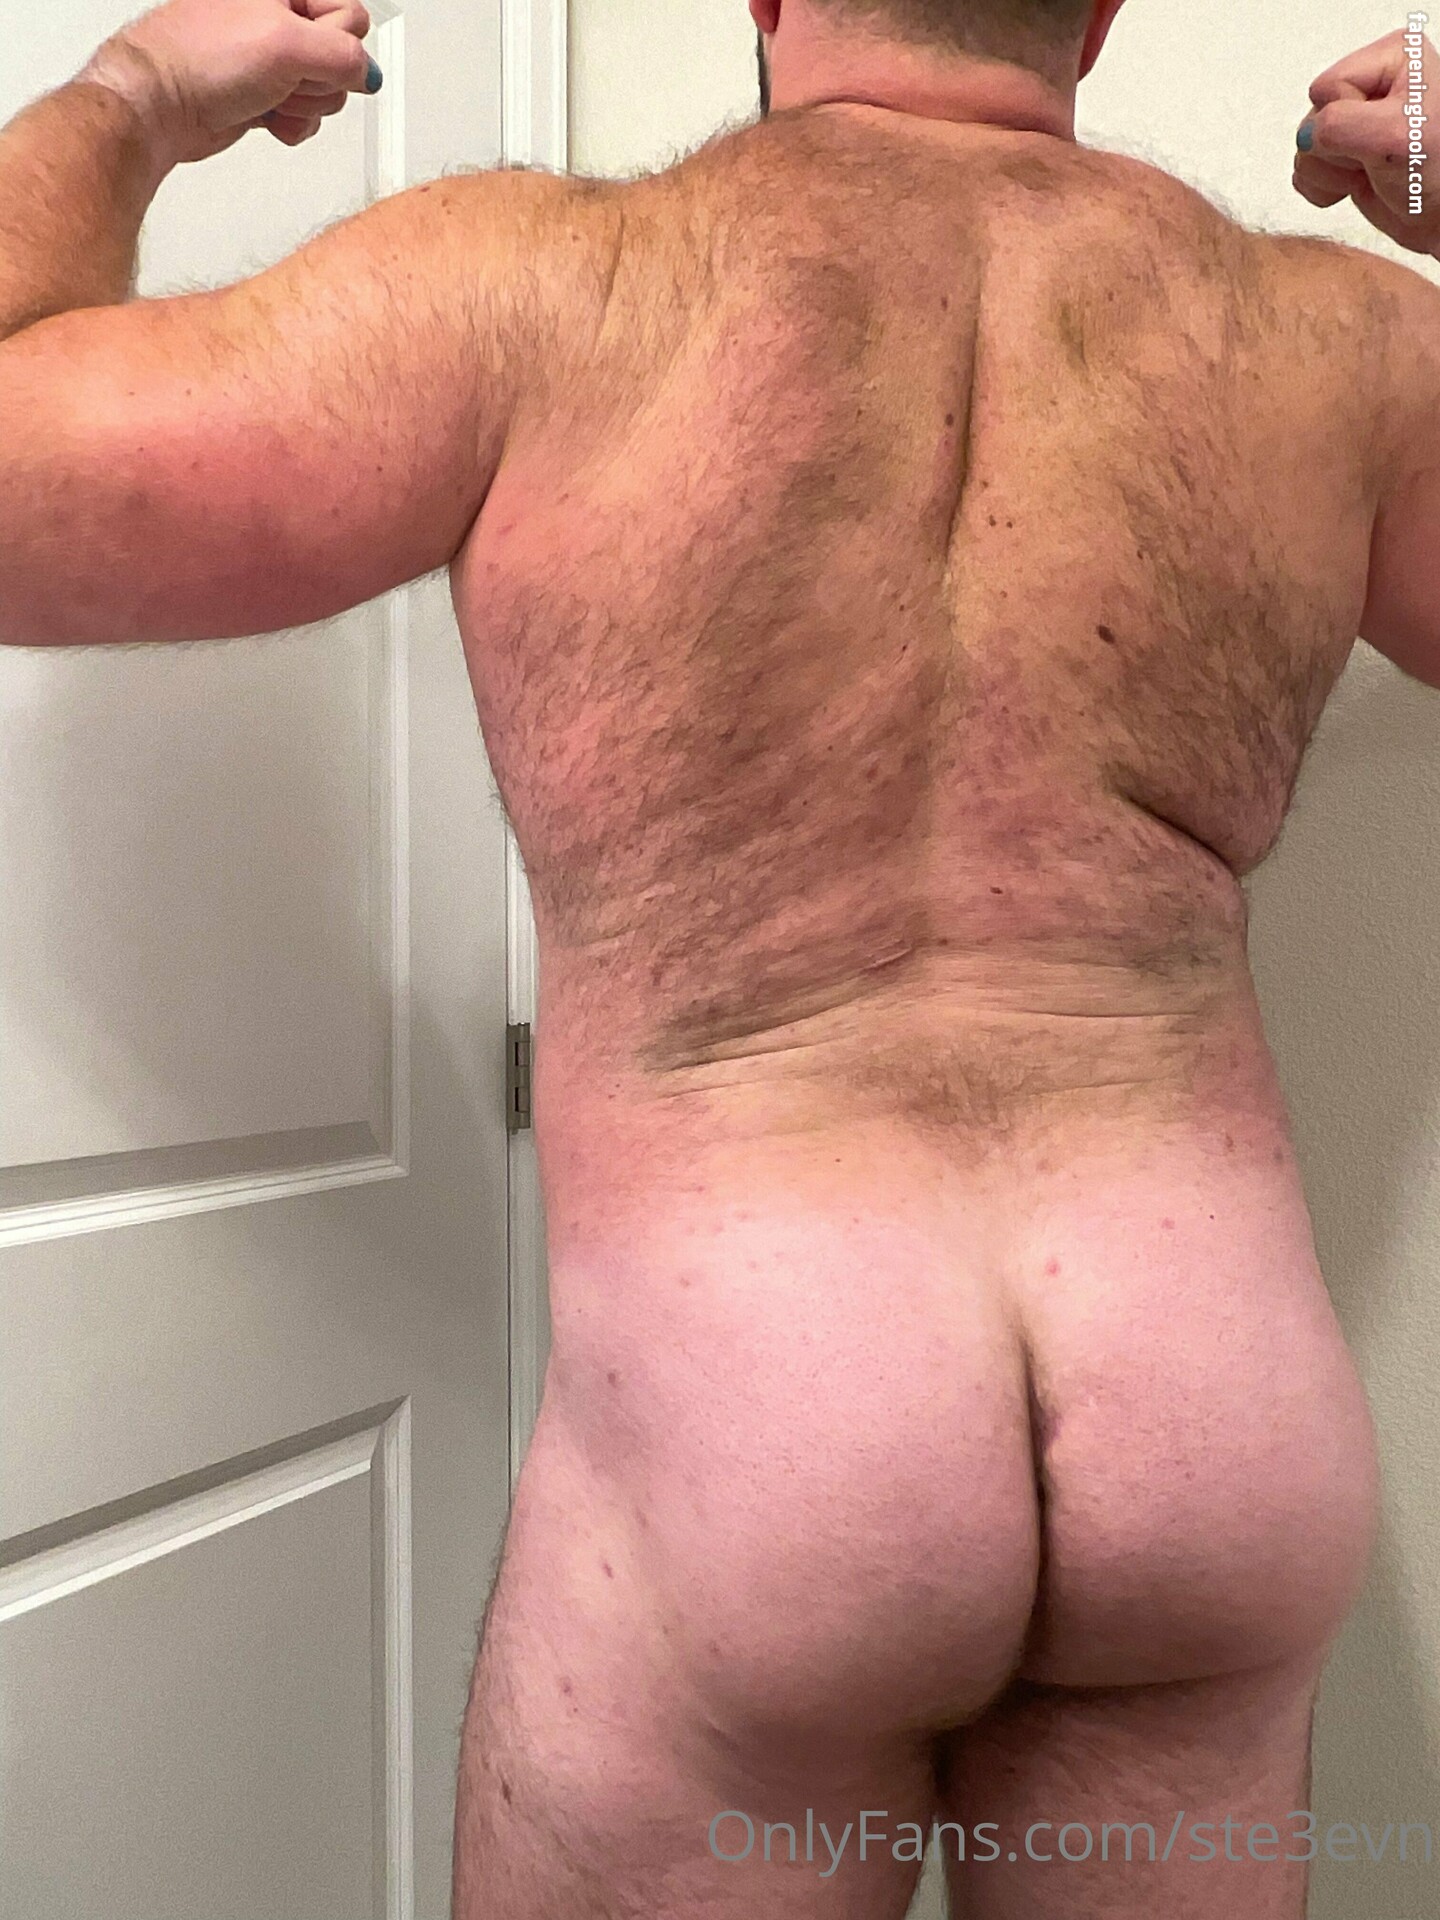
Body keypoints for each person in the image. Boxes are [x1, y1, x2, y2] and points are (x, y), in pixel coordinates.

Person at [1, 0, 1436, 1913]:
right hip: (1213, 1430)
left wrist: (133, 96)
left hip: (768, 1451)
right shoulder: (1343, 347)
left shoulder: (551, 287)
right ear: (1099, 12)